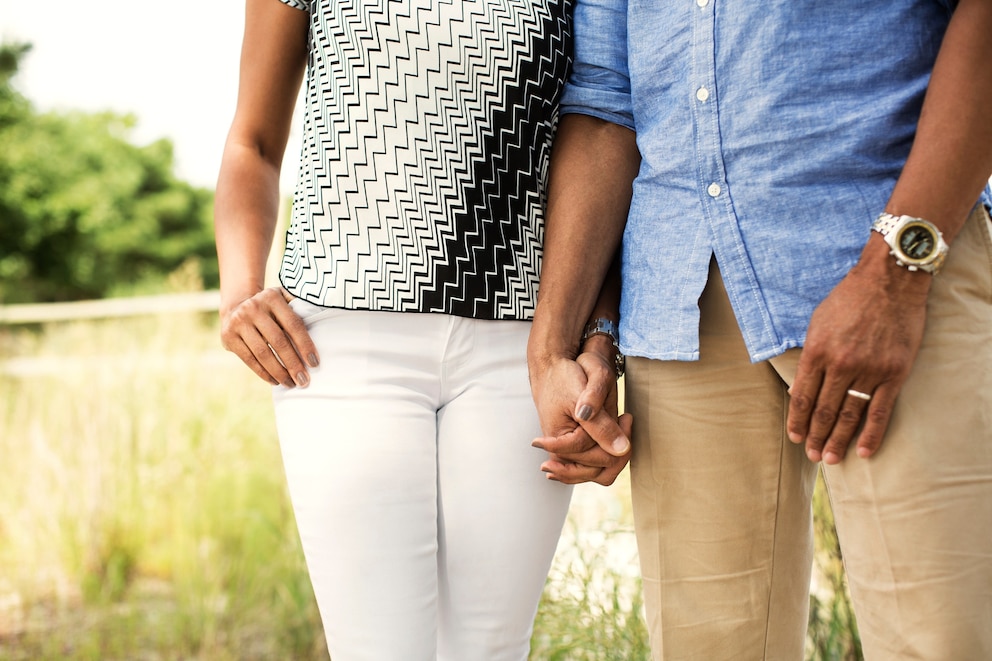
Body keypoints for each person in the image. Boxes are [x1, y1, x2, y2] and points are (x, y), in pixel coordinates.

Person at [528, 0, 992, 659]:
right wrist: (562, 343)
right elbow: (605, 100)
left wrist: (894, 272)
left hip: (889, 272)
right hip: (683, 300)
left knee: (940, 641)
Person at [213, 0, 575, 657]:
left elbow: (601, 125)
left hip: (522, 346)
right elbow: (253, 143)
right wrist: (239, 292)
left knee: (491, 649)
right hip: (341, 347)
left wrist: (590, 332)